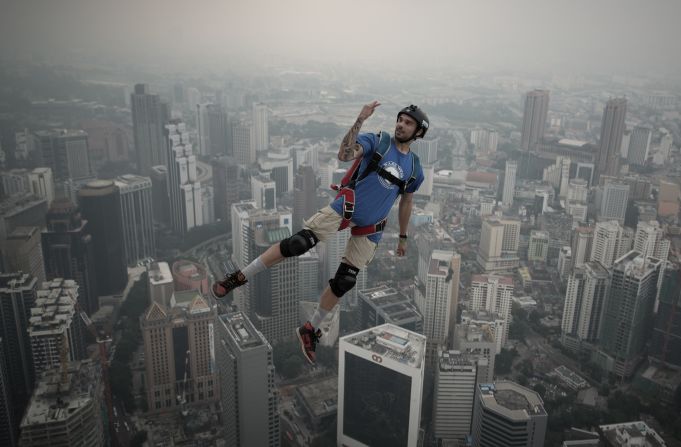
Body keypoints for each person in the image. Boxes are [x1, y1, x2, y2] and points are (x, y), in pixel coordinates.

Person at [212, 101, 428, 363]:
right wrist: (360, 119)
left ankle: (310, 329)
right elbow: (345, 154)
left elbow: (407, 201)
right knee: (298, 244)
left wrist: (403, 236)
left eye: (408, 123)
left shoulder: (414, 168)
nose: (401, 125)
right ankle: (237, 278)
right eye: (400, 120)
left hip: (372, 227)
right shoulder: (379, 141)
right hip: (346, 207)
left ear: (418, 132)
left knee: (345, 281)